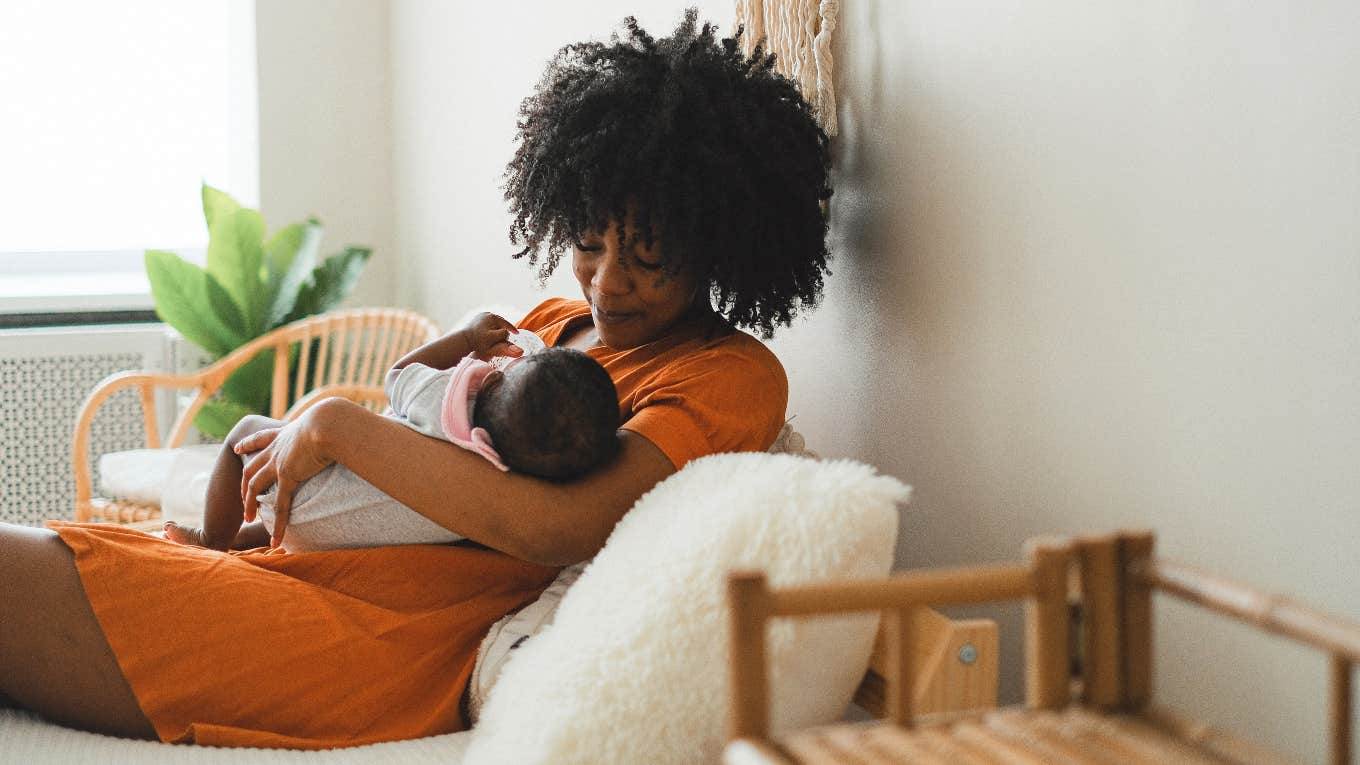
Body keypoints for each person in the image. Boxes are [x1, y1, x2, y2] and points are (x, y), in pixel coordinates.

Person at [0, 9, 831, 748]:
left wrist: (332, 424)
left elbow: (557, 527)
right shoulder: (546, 325)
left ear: (721, 247)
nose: (607, 283)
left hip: (382, 632)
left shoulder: (728, 375)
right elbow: (428, 410)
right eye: (588, 240)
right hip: (295, 558)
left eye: (649, 257)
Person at [163, 319, 621, 552]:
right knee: (344, 495)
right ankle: (251, 538)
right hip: (358, 536)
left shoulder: (442, 397)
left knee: (244, 433)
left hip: (298, 494)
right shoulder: (498, 476)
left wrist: (464, 339)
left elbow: (397, 372)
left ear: (500, 377)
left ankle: (213, 539)